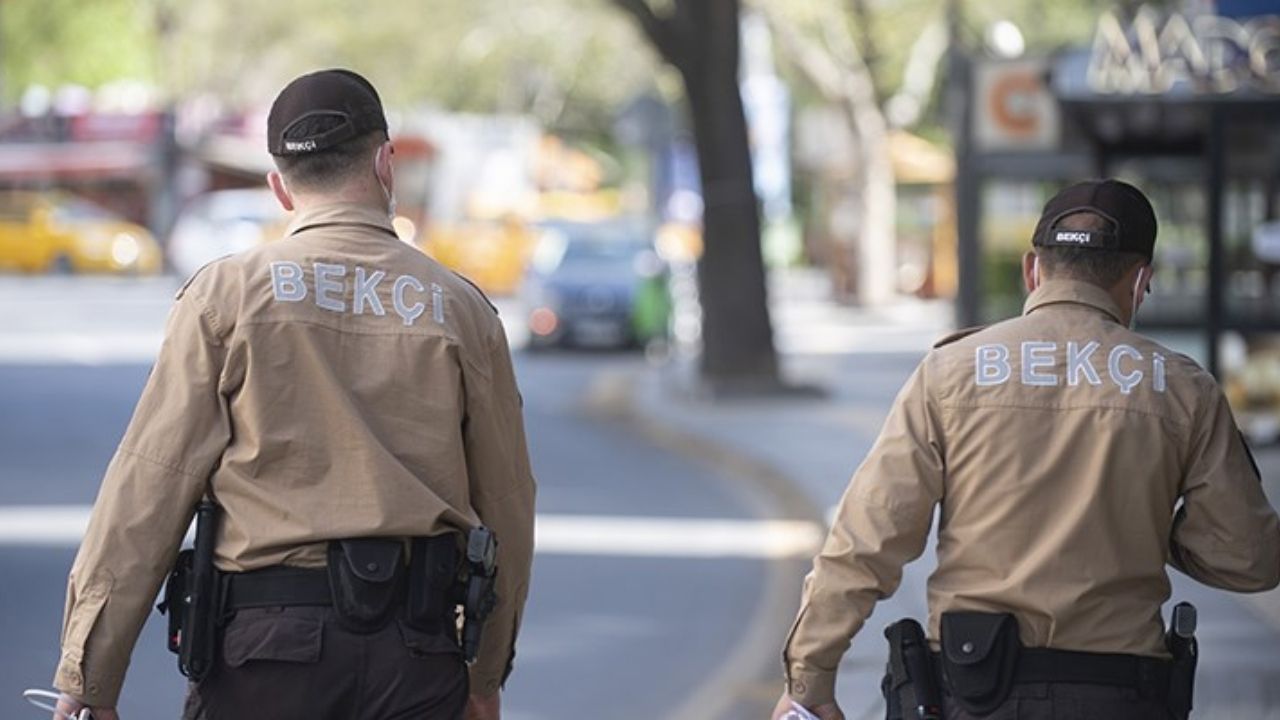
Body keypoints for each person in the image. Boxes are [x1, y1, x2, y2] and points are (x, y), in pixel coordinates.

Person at [50, 69, 535, 720]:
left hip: (265, 658)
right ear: (385, 163)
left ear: (280, 187)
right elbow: (506, 504)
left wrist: (89, 679)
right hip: (415, 661)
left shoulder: (226, 298)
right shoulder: (461, 310)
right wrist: (483, 675)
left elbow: (149, 487)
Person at [772, 179, 1280, 720]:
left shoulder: (950, 372)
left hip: (972, 690)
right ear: (1139, 282)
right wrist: (1151, 526)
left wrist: (810, 680)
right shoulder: (1184, 389)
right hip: (1122, 694)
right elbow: (1251, 560)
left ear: (1031, 270)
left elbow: (868, 536)